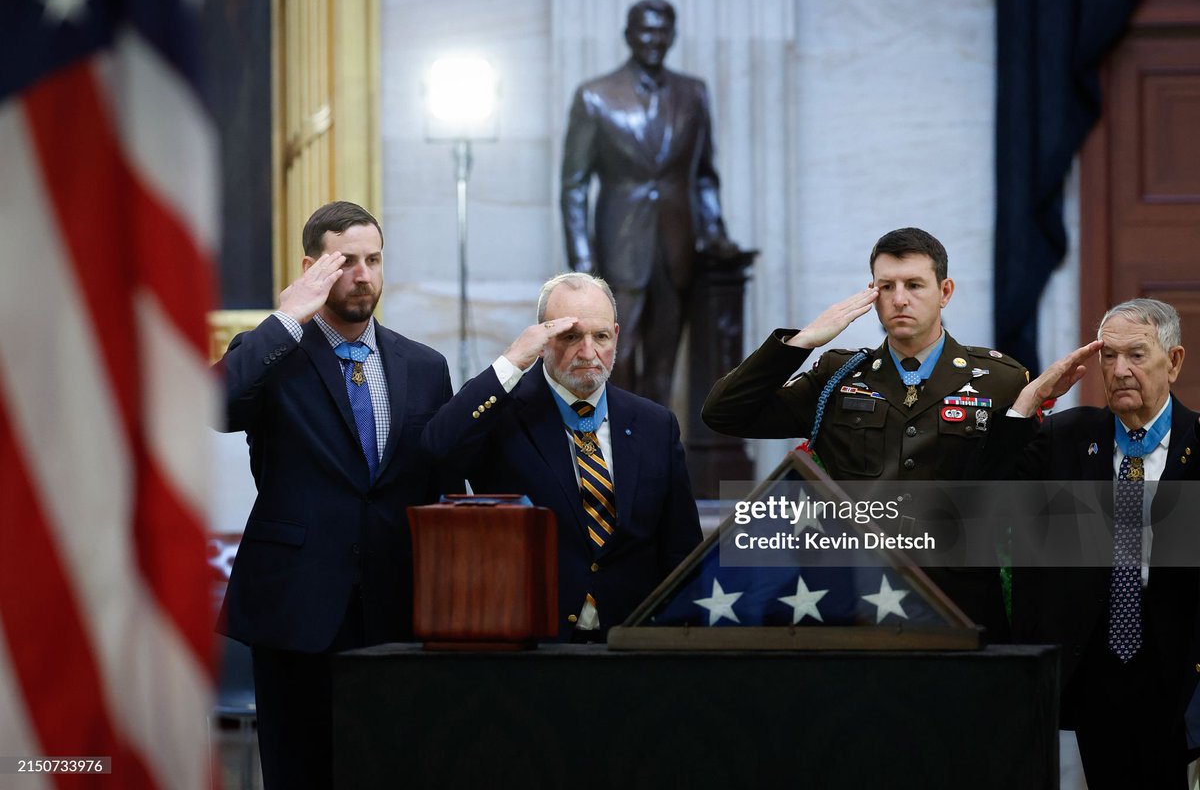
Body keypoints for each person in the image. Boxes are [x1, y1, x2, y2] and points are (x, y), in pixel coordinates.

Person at [215, 201, 456, 789]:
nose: (364, 274)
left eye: (373, 260)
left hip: (394, 608)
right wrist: (288, 316)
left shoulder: (424, 366)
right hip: (296, 608)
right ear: (312, 265)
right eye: (346, 260)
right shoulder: (273, 352)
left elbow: (436, 486)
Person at [702, 227, 1028, 641]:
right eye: (885, 286)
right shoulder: (838, 377)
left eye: (914, 285)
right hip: (854, 602)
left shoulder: (999, 380)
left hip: (959, 605)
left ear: (945, 291)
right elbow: (724, 413)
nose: (899, 299)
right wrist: (801, 343)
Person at [980, 298, 1200, 788]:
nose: (1119, 370)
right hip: (1097, 662)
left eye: (1136, 355)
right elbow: (989, 499)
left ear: (1175, 361)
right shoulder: (1067, 436)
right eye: (1108, 355)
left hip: (1181, 667)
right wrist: (1031, 400)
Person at [421, 272, 702, 641]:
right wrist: (512, 362)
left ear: (616, 336)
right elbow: (437, 448)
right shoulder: (505, 416)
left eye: (600, 336)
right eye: (570, 337)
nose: (588, 353)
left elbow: (681, 550)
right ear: (543, 340)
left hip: (632, 642)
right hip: (533, 640)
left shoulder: (655, 424)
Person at [561, 0, 739, 407]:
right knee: (613, 357)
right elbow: (573, 186)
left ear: (673, 35)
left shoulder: (693, 93)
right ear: (628, 35)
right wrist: (583, 264)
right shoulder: (596, 96)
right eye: (646, 30)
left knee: (664, 363)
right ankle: (615, 444)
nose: (654, 39)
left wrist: (713, 230)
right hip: (619, 249)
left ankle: (654, 446)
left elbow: (704, 174)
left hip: (677, 247)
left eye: (662, 30)